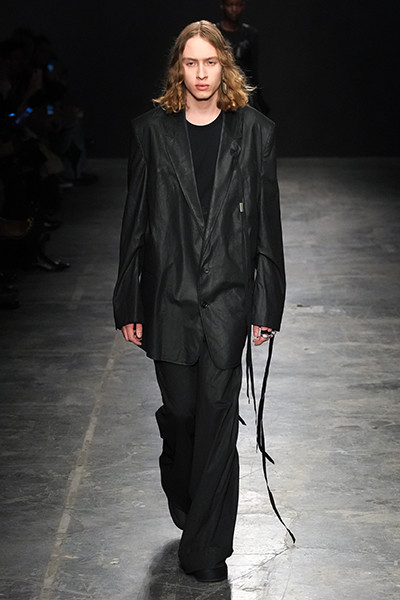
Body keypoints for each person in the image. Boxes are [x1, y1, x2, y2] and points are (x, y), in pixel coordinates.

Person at [113, 20, 286, 583]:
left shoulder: (255, 132)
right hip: (168, 298)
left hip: (228, 302)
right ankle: (179, 470)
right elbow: (135, 224)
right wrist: (129, 302)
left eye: (210, 62)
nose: (202, 73)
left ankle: (207, 551)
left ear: (224, 66)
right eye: (191, 63)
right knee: (185, 416)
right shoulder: (151, 133)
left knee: (217, 422)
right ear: (179, 69)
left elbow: (267, 226)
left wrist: (267, 306)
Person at [216, 0, 270, 114]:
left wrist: (258, 100)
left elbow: (253, 70)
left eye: (238, 5)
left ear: (243, 6)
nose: (234, 9)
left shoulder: (250, 34)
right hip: (218, 89)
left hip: (243, 91)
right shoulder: (214, 33)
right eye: (230, 5)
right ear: (222, 6)